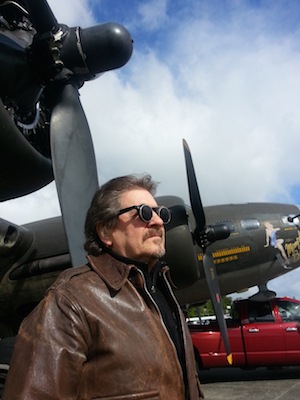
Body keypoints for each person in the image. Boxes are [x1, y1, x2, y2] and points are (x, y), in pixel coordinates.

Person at [3, 174, 204, 400]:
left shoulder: (162, 291)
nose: (157, 221)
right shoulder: (70, 300)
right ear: (106, 232)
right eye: (143, 213)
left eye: (160, 213)